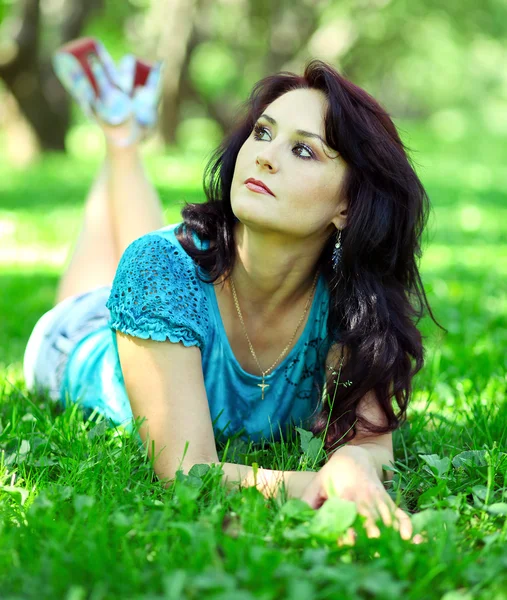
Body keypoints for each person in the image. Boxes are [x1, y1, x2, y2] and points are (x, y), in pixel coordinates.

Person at [23, 38, 441, 544]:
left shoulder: (356, 310)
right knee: (150, 256)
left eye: (303, 149)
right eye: (263, 133)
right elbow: (187, 471)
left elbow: (374, 446)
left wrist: (355, 458)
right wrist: (326, 487)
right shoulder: (158, 269)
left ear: (348, 208)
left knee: (158, 255)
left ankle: (119, 122)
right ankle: (120, 134)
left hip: (169, 294)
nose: (264, 157)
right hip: (75, 340)